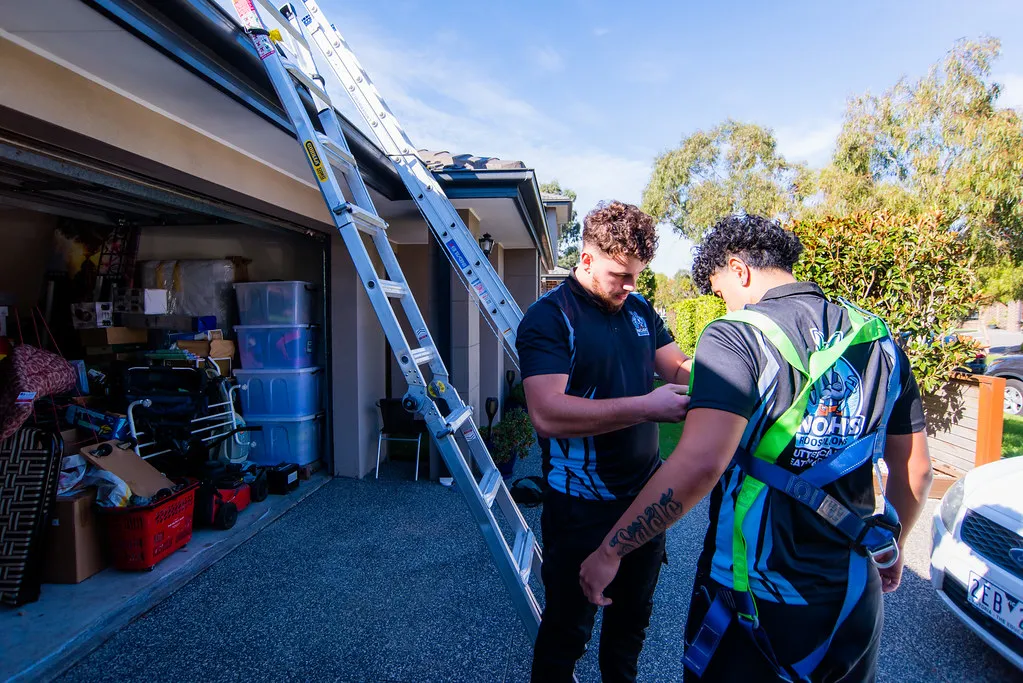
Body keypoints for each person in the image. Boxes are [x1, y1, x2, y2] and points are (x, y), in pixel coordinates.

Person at [579, 214, 933, 682]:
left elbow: (700, 464)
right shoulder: (877, 338)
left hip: (752, 600)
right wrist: (894, 545)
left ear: (738, 269)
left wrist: (611, 550)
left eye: (719, 289)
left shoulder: (736, 336)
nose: (722, 302)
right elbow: (918, 470)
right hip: (852, 597)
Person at [516, 200, 692, 682]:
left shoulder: (639, 308)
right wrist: (646, 406)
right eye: (621, 275)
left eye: (638, 274)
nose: (631, 287)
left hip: (644, 503)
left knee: (628, 634)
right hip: (580, 508)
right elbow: (548, 414)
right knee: (566, 635)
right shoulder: (549, 317)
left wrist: (730, 366)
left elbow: (677, 367)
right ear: (587, 259)